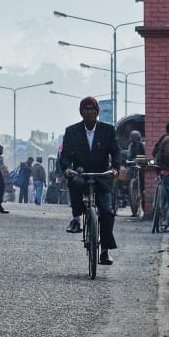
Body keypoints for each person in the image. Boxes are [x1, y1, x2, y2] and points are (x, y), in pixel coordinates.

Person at [57, 95, 118, 265]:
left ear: (97, 112)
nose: (89, 112)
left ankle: (105, 251)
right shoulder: (72, 131)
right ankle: (76, 219)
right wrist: (67, 169)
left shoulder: (108, 130)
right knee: (75, 184)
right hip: (80, 173)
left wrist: (115, 169)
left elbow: (116, 153)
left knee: (106, 211)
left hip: (102, 176)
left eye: (92, 109)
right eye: (86, 109)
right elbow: (65, 156)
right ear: (81, 112)